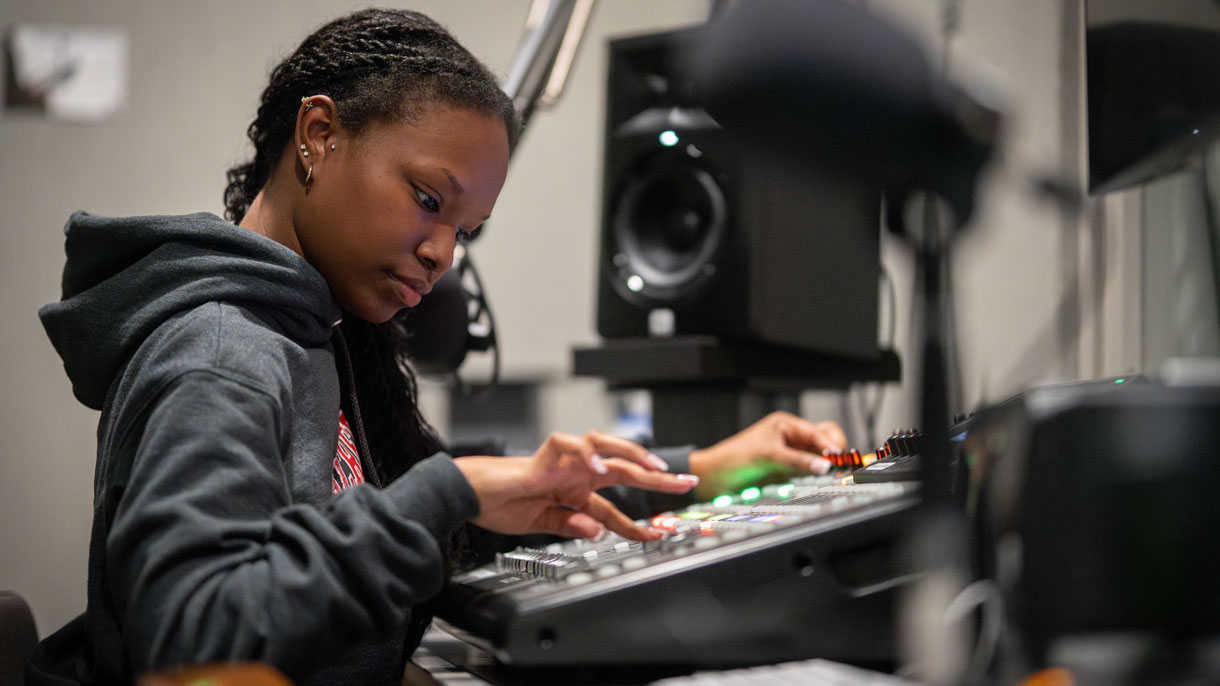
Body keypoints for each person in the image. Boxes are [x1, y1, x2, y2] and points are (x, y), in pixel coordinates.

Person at [29, 8, 847, 686]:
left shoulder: (313, 333)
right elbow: (193, 640)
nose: (443, 255)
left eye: (465, 230)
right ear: (318, 134)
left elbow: (430, 516)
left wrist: (698, 471)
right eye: (428, 200)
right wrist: (444, 492)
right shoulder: (221, 354)